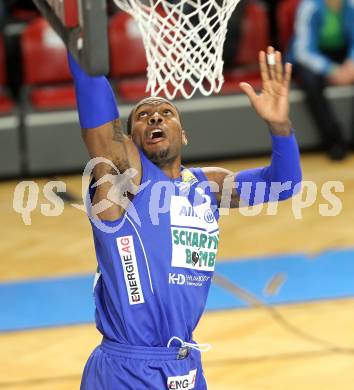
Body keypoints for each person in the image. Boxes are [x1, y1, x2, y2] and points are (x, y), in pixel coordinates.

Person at [68, 46, 302, 389]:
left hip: (184, 366)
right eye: (144, 116)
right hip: (126, 370)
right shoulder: (125, 180)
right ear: (129, 142)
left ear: (184, 134)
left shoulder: (208, 185)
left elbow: (284, 184)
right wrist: (82, 44)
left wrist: (280, 126)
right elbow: (101, 130)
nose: (155, 117)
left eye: (166, 112)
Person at [287, 0, 354, 160]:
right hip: (311, 57)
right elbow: (302, 50)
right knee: (309, 80)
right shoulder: (308, 6)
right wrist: (331, 69)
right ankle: (333, 141)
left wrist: (351, 64)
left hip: (343, 56)